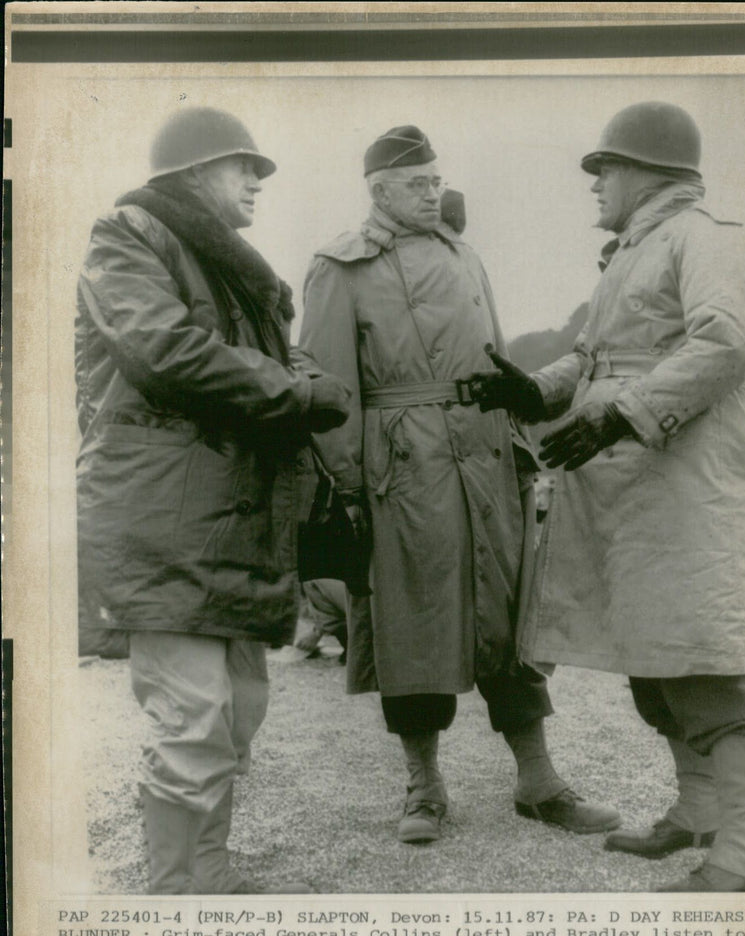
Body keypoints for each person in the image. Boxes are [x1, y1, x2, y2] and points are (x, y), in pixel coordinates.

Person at [470, 102, 745, 892]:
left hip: (688, 490)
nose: (596, 183)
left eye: (604, 168)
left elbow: (729, 342)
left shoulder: (709, 237)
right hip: (638, 493)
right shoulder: (632, 253)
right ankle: (698, 814)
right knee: (658, 663)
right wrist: (533, 391)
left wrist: (618, 416)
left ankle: (742, 857)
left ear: (646, 170)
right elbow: (595, 359)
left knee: (707, 665)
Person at [298, 125, 619, 844]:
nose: (433, 191)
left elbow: (497, 364)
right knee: (412, 622)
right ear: (378, 190)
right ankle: (423, 787)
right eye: (418, 183)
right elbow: (329, 392)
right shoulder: (338, 267)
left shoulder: (463, 254)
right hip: (401, 467)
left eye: (437, 179)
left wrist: (510, 442)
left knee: (511, 618)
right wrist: (353, 486)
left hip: (482, 455)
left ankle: (539, 782)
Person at [75, 106, 350, 893]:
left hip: (235, 518)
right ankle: (172, 903)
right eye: (244, 167)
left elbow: (260, 363)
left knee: (236, 716)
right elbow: (165, 350)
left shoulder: (236, 267)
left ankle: (211, 877)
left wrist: (299, 374)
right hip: (164, 518)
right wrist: (298, 391)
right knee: (191, 719)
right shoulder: (128, 234)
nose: (258, 182)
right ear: (194, 173)